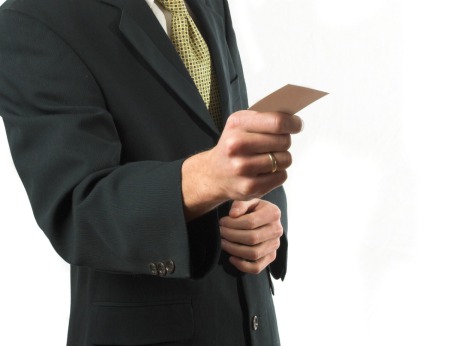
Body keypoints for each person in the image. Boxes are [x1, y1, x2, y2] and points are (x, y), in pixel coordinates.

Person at [0, 0, 302, 345]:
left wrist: (267, 213)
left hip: (252, 326)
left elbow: (232, 138)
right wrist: (203, 179)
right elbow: (77, 209)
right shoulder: (33, 17)